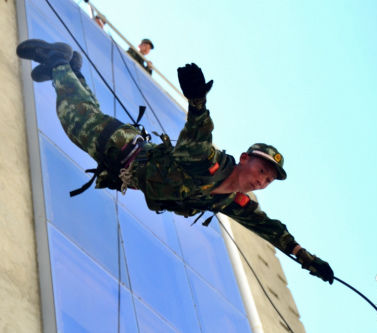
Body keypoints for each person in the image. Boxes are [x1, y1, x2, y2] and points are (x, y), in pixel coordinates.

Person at [16, 39, 334, 284]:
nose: (261, 180)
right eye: (261, 170)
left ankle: (70, 67)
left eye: (267, 180)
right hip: (124, 149)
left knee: (84, 114)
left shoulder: (235, 203)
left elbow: (271, 229)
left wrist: (306, 258)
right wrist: (198, 101)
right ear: (245, 159)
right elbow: (197, 133)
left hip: (125, 169)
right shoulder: (209, 161)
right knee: (74, 120)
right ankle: (59, 61)